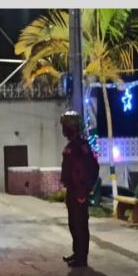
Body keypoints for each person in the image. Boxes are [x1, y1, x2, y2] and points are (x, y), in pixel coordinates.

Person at [59, 111, 99, 268]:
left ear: (73, 128)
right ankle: (77, 253)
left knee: (80, 225)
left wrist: (83, 189)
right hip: (72, 190)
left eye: (66, 127)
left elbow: (91, 169)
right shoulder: (71, 145)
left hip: (79, 191)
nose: (64, 130)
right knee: (73, 225)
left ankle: (82, 259)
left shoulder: (82, 147)